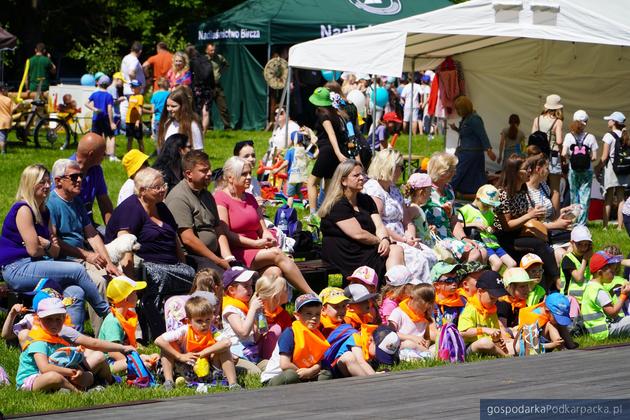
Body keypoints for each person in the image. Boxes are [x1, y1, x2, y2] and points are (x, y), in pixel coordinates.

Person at [0, 164, 110, 331]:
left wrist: (46, 244)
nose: (47, 186)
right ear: (30, 184)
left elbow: (55, 250)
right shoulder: (23, 209)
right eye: (41, 182)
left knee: (75, 292)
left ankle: (71, 343)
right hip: (17, 268)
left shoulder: (44, 211)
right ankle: (108, 313)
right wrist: (44, 246)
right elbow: (33, 250)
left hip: (33, 265)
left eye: (47, 182)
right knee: (77, 270)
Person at [105, 167, 195, 340]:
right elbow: (126, 249)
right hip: (149, 266)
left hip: (171, 265)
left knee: (193, 275)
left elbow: (174, 238)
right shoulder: (131, 209)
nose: (162, 190)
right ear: (142, 191)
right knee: (157, 275)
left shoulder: (161, 207)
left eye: (163, 185)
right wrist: (130, 286)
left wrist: (183, 263)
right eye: (157, 187)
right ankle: (155, 328)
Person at [215, 156, 314, 294]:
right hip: (239, 250)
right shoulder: (221, 198)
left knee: (275, 273)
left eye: (250, 173)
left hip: (258, 248)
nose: (249, 177)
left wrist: (268, 238)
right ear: (231, 177)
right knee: (277, 254)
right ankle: (311, 294)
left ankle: (266, 312)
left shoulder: (249, 198)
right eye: (244, 174)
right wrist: (256, 244)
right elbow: (227, 234)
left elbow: (263, 228)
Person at [47, 159, 121, 335]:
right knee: (99, 282)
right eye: (74, 177)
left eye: (81, 175)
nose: (80, 180)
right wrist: (86, 255)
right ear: (58, 181)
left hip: (81, 259)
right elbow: (54, 241)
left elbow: (92, 234)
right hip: (65, 262)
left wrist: (109, 263)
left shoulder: (76, 201)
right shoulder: (52, 204)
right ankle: (105, 338)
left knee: (117, 277)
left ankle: (130, 334)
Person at [15, 297, 134, 392]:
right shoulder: (38, 340)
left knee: (89, 374)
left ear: (64, 318)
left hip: (59, 371)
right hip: (34, 379)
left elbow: (92, 344)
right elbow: (45, 368)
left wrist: (79, 372)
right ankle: (78, 392)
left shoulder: (60, 333)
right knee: (54, 377)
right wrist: (72, 372)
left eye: (58, 319)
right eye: (49, 319)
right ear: (39, 319)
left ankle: (107, 382)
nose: (54, 324)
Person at [318, 160, 404, 283]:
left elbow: (379, 225)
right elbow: (358, 234)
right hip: (346, 254)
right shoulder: (337, 205)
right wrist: (381, 241)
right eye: (356, 175)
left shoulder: (366, 200)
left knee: (396, 249)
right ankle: (394, 291)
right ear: (343, 181)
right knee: (394, 250)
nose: (362, 178)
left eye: (362, 174)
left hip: (364, 249)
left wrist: (385, 239)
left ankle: (394, 291)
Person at [363, 149, 435, 282]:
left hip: (403, 238)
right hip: (388, 238)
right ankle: (415, 293)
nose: (402, 171)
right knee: (419, 260)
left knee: (430, 254)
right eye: (400, 167)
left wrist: (410, 235)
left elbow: (406, 219)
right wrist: (403, 240)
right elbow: (378, 224)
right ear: (388, 166)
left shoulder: (393, 189)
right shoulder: (373, 189)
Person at [494, 154, 560, 292]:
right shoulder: (503, 194)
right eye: (526, 169)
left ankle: (546, 288)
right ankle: (556, 279)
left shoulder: (523, 191)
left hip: (520, 233)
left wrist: (534, 214)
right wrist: (529, 215)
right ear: (515, 172)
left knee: (544, 246)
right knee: (540, 245)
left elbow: (524, 215)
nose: (529, 171)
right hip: (506, 237)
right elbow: (507, 226)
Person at [165, 150, 233, 272]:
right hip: (193, 258)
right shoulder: (179, 198)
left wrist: (228, 257)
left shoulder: (206, 195)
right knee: (228, 280)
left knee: (243, 273)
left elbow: (218, 229)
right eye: (204, 170)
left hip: (214, 256)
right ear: (189, 174)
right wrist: (217, 261)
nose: (210, 173)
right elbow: (188, 239)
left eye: (209, 169)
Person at [156, 295, 238, 390]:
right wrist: (180, 356)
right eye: (199, 321)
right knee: (168, 346)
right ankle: (169, 382)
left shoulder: (212, 330)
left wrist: (201, 353)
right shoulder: (184, 330)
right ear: (189, 321)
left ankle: (233, 384)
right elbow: (158, 340)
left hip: (207, 369)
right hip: (185, 367)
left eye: (208, 320)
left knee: (224, 349)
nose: (204, 324)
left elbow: (227, 342)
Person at [423, 152, 484, 262]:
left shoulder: (449, 189)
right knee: (474, 253)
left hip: (449, 236)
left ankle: (474, 278)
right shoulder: (425, 189)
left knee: (482, 251)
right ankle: (461, 277)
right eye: (451, 170)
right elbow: (414, 213)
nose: (455, 172)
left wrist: (464, 238)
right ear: (441, 171)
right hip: (433, 237)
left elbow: (454, 220)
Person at [260, 294, 332, 386]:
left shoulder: (316, 335)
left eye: (317, 314)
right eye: (309, 314)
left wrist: (311, 371)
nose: (314, 318)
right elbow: (285, 364)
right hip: (279, 375)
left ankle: (307, 386)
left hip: (304, 373)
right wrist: (306, 374)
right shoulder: (290, 333)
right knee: (291, 376)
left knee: (326, 374)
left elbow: (317, 361)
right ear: (297, 315)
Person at [98, 276, 158, 373]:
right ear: (126, 299)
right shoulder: (113, 321)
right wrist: (135, 363)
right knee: (144, 363)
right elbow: (113, 352)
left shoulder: (124, 317)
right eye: (134, 292)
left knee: (155, 356)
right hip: (108, 364)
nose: (137, 295)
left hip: (122, 358)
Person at [458, 184, 516, 272]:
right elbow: (457, 226)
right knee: (497, 263)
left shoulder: (490, 212)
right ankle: (489, 282)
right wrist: (473, 224)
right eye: (485, 204)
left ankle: (506, 283)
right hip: (481, 242)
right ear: (477, 197)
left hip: (492, 242)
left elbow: (491, 225)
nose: (488, 207)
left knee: (512, 264)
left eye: (490, 205)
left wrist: (491, 228)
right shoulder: (466, 210)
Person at [307, 87, 346, 216]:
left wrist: (338, 153)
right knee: (329, 186)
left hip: (329, 152)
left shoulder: (323, 115)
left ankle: (313, 214)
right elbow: (324, 136)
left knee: (311, 183)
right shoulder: (333, 114)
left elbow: (331, 135)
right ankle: (329, 213)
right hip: (329, 153)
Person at [457, 271, 513, 357]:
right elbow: (462, 333)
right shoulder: (470, 309)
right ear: (480, 291)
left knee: (507, 344)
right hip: (467, 348)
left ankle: (505, 353)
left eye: (496, 299)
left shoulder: (492, 310)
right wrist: (483, 330)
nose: (494, 301)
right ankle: (506, 357)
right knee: (485, 342)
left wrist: (497, 340)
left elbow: (493, 337)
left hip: (487, 346)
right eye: (491, 298)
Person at [449, 96, 496, 196]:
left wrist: (489, 150)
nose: (457, 111)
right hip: (467, 151)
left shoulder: (474, 119)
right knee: (472, 175)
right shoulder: (467, 118)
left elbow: (482, 134)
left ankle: (448, 191)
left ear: (464, 108)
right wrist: (456, 129)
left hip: (471, 153)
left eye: (458, 109)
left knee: (459, 172)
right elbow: (466, 133)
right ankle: (469, 193)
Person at [221, 266, 264, 371]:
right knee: (256, 373)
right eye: (246, 286)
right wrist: (253, 309)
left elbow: (257, 337)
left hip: (251, 353)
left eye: (251, 285)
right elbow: (243, 332)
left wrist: (259, 315)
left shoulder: (245, 308)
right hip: (237, 355)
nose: (250, 289)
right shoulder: (230, 309)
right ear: (231, 290)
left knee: (268, 365)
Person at [581, 251, 630, 340]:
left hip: (597, 332)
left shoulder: (590, 286)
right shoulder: (599, 291)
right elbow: (613, 313)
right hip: (605, 331)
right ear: (600, 273)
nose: (614, 273)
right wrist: (623, 295)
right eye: (611, 271)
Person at [562, 110, 598, 226]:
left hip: (573, 170)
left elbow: (563, 153)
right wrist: (586, 158)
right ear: (586, 122)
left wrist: (572, 158)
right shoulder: (590, 137)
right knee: (585, 196)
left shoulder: (568, 136)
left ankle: (573, 222)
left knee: (574, 195)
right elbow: (594, 157)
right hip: (587, 171)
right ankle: (582, 223)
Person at [70, 133, 113, 226]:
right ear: (91, 154)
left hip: (89, 225)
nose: (104, 156)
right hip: (69, 230)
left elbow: (104, 202)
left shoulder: (96, 170)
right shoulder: (65, 173)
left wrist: (112, 232)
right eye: (103, 153)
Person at [531, 94, 564, 214]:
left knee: (538, 186)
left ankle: (540, 214)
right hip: (553, 156)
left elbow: (533, 136)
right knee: (555, 189)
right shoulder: (558, 122)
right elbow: (559, 141)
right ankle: (555, 217)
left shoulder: (537, 119)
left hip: (539, 156)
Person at [598, 111, 630, 230]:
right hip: (623, 169)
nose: (608, 121)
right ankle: (620, 227)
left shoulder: (608, 136)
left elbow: (604, 156)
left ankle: (605, 226)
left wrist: (598, 168)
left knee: (608, 198)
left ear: (614, 122)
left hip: (611, 169)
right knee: (621, 198)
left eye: (610, 120)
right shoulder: (625, 135)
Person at [388, 283, 436, 358]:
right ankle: (430, 355)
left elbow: (426, 336)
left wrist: (426, 342)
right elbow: (391, 333)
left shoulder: (424, 315)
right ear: (411, 298)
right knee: (408, 343)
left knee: (437, 346)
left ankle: (427, 354)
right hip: (403, 348)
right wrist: (412, 337)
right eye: (420, 307)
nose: (423, 311)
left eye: (426, 309)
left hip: (420, 348)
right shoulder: (398, 312)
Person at [255, 275, 292, 360]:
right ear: (276, 296)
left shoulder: (283, 314)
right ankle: (268, 361)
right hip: (257, 353)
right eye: (286, 290)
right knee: (275, 329)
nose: (289, 292)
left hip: (280, 352)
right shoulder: (258, 311)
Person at [273, 131, 309, 208]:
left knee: (290, 195)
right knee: (298, 191)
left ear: (292, 140)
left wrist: (277, 169)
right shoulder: (303, 151)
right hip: (301, 176)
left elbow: (286, 163)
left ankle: (289, 210)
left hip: (293, 176)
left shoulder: (290, 151)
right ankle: (305, 203)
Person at [86, 76, 117, 161]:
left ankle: (96, 155)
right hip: (105, 119)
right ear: (109, 84)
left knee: (96, 138)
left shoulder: (95, 94)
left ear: (98, 84)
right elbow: (109, 109)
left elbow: (86, 103)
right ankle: (111, 156)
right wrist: (111, 123)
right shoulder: (109, 96)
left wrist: (94, 109)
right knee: (111, 136)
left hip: (96, 119)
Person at [559, 225, 593, 304]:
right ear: (571, 243)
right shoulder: (567, 259)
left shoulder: (584, 256)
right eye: (579, 244)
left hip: (583, 298)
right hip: (569, 300)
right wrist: (585, 259)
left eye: (586, 245)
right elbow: (579, 278)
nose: (583, 248)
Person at [185, 45, 215, 134]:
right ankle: (204, 133)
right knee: (206, 111)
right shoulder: (206, 60)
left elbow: (190, 76)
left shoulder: (192, 62)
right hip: (207, 88)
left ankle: (197, 130)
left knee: (196, 110)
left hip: (197, 88)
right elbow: (211, 75)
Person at [402, 173, 434, 248]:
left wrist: (427, 228)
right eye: (429, 191)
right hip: (421, 245)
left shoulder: (416, 208)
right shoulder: (413, 209)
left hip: (427, 243)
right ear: (422, 192)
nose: (430, 194)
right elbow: (406, 224)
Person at [431, 262, 466, 327]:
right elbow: (431, 330)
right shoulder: (430, 303)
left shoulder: (461, 301)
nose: (454, 283)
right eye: (449, 280)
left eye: (456, 279)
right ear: (437, 285)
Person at [205, 42, 231, 130]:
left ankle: (227, 126)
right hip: (207, 86)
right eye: (211, 50)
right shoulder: (204, 60)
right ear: (206, 51)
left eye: (214, 50)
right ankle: (209, 126)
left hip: (217, 86)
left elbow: (226, 64)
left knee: (223, 107)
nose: (213, 51)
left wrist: (220, 72)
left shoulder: (219, 58)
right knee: (207, 108)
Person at [149, 77, 170, 144]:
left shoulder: (155, 95)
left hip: (157, 118)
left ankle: (159, 152)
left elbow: (153, 110)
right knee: (167, 136)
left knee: (158, 137)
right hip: (167, 118)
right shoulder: (169, 94)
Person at [126, 80, 144, 152]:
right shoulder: (131, 97)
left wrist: (138, 121)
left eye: (134, 86)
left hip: (136, 121)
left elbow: (140, 109)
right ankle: (128, 155)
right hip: (129, 120)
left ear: (139, 87)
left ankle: (142, 156)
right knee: (129, 139)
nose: (132, 88)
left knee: (139, 139)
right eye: (131, 86)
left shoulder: (140, 97)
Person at [0, 81, 16, 154]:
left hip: (0, 121)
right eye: (6, 90)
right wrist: (19, 105)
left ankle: (3, 151)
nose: (7, 91)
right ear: (2, 90)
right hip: (7, 121)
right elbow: (13, 109)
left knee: (2, 138)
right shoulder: (8, 99)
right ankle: (4, 150)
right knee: (4, 137)